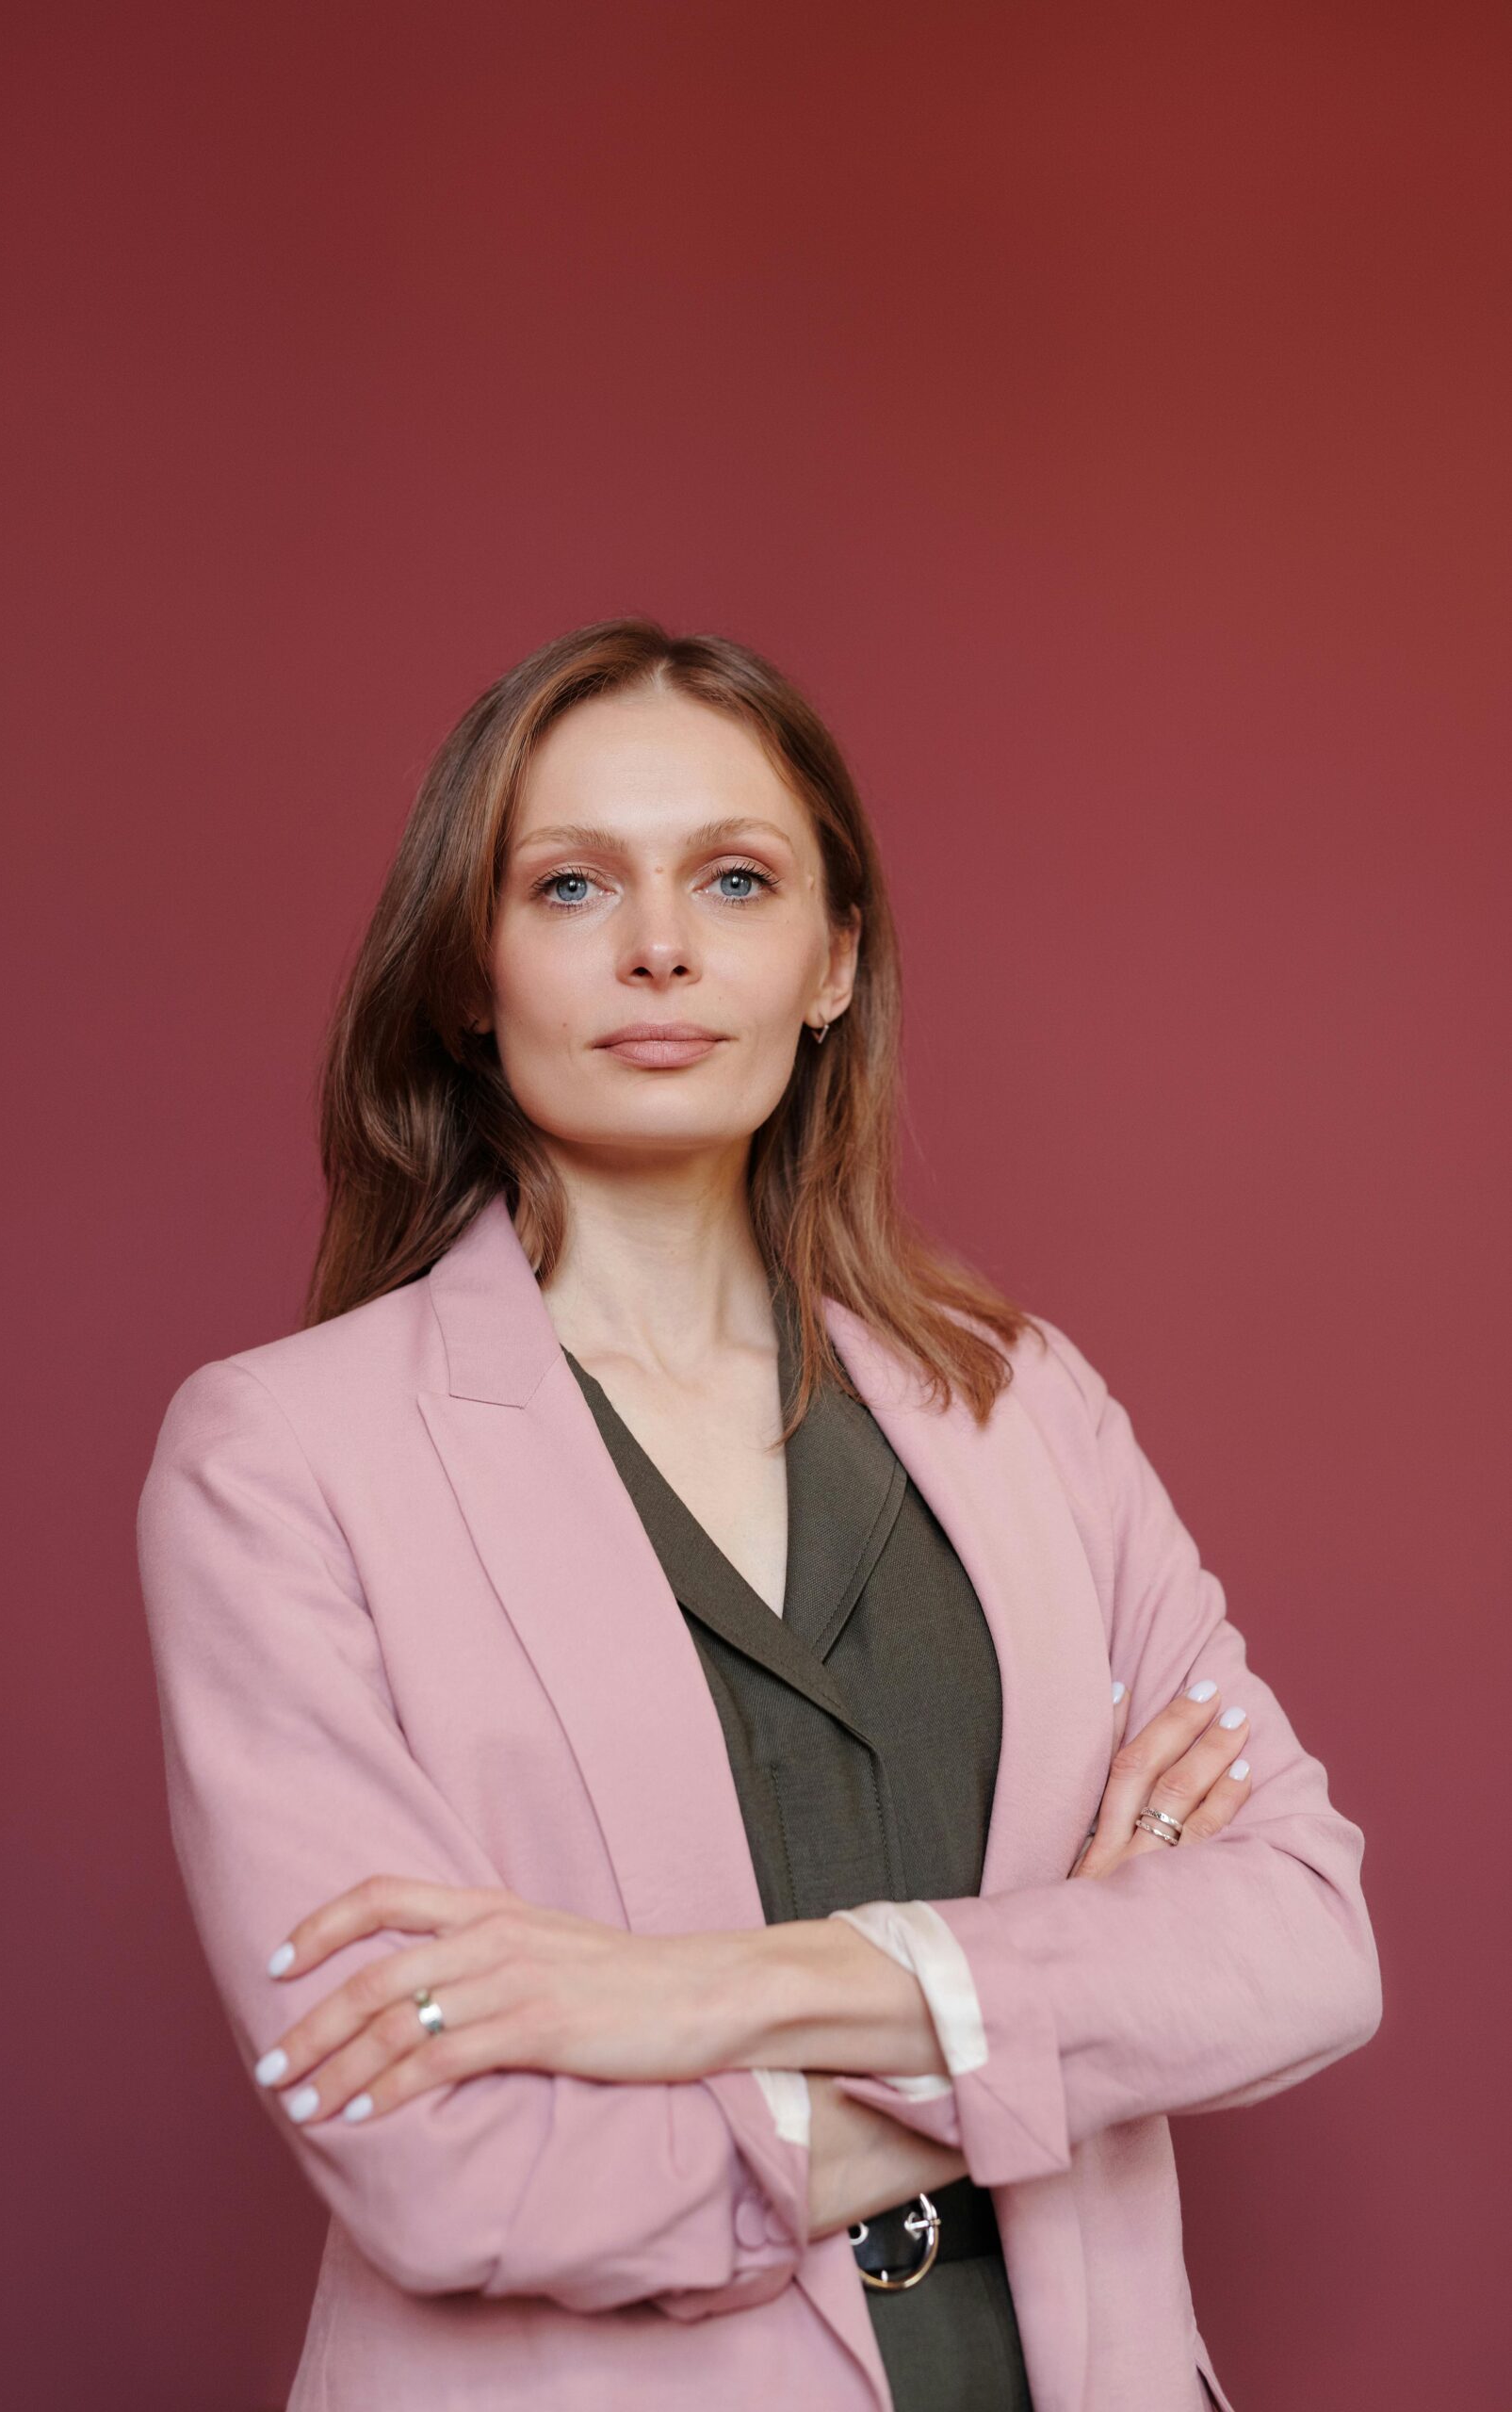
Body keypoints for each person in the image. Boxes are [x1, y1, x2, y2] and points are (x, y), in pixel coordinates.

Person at [137, 618, 1381, 2412]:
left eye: (735, 879)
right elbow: (450, 2168)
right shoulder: (280, 1458)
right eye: (571, 885)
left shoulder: (1020, 1402)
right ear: (470, 971)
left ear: (831, 961)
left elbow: (1306, 1945)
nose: (660, 945)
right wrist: (1057, 2015)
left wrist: (693, 1996)